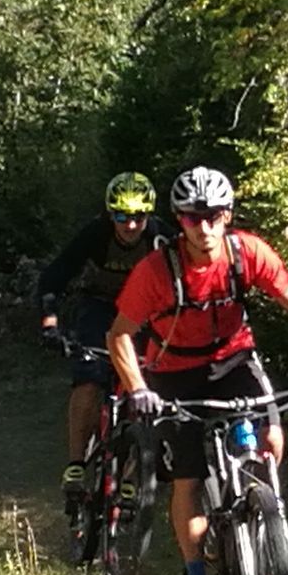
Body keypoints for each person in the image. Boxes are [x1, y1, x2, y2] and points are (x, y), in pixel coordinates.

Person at [105, 166, 288, 575]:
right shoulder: (156, 272)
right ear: (179, 220)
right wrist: (138, 389)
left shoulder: (247, 253)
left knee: (272, 439)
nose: (205, 227)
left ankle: (262, 516)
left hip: (234, 360)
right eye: (194, 218)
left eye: (215, 216)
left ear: (228, 215)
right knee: (189, 481)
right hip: (174, 372)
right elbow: (118, 335)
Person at [36, 172, 176, 500]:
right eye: (121, 217)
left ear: (149, 215)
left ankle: (131, 468)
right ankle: (75, 463)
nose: (129, 226)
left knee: (147, 386)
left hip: (145, 317)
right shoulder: (96, 234)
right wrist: (49, 321)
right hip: (100, 309)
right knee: (88, 377)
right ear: (109, 214)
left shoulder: (162, 239)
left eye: (138, 217)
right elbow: (54, 276)